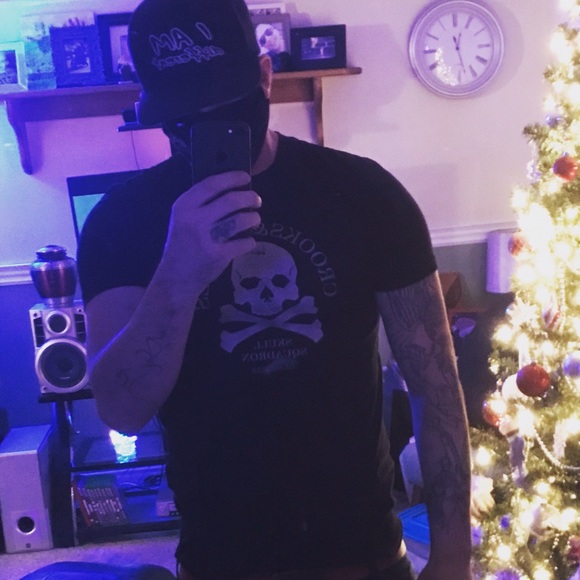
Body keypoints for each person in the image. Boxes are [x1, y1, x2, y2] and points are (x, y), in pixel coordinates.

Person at [77, 0, 473, 578]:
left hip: (363, 556)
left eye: (226, 103)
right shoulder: (120, 222)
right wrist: (178, 274)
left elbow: (435, 389)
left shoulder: (365, 195)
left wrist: (453, 558)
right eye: (185, 115)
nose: (207, 123)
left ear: (264, 77)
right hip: (220, 562)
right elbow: (121, 410)